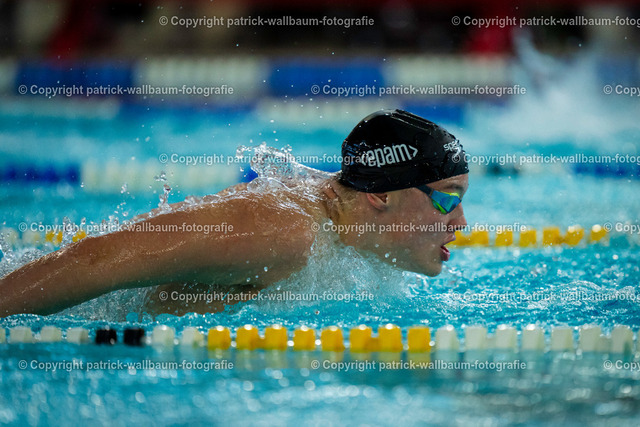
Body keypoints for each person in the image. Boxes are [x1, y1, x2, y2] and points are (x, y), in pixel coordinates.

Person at [0, 109, 469, 316]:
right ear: (381, 194)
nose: (461, 222)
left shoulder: (347, 232)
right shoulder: (285, 230)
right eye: (448, 198)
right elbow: (98, 258)